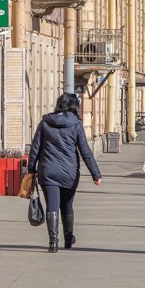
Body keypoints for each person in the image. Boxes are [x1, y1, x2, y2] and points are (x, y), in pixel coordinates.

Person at [27, 93, 102, 253]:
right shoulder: (76, 124)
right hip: (69, 172)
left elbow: (35, 148)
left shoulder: (45, 122)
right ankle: (68, 239)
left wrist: (31, 171)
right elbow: (85, 151)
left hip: (47, 172)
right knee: (67, 205)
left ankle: (53, 242)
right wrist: (96, 174)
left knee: (52, 206)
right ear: (75, 106)